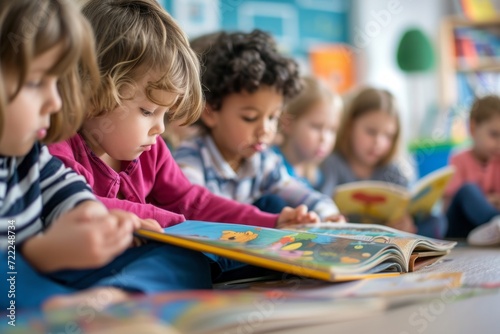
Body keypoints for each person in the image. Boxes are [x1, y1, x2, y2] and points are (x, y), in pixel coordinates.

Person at [0, 0, 208, 311]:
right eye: (34, 83)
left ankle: (117, 298)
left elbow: (72, 194)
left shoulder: (30, 156)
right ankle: (69, 308)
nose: (56, 103)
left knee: (185, 257)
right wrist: (40, 254)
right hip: (22, 284)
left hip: (59, 272)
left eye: (57, 85)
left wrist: (99, 221)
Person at [173, 30, 343, 221]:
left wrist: (328, 213)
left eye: (272, 117)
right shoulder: (190, 158)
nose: (265, 130)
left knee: (276, 203)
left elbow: (298, 191)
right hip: (197, 247)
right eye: (250, 117)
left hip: (236, 244)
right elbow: (198, 210)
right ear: (211, 112)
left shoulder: (263, 161)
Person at [320, 87, 446, 238]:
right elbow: (322, 205)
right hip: (348, 237)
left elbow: (407, 205)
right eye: (371, 132)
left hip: (388, 236)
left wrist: (406, 221)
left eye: (388, 136)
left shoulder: (393, 168)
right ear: (349, 126)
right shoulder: (332, 163)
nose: (378, 142)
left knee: (436, 221)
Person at [444, 95, 500, 245]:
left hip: (486, 230)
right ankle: (495, 222)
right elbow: (451, 203)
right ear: (473, 128)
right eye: (494, 134)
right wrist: (489, 200)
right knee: (467, 190)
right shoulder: (458, 159)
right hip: (460, 228)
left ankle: (495, 225)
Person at [273, 76, 343, 190]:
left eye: (332, 130)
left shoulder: (315, 175)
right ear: (288, 124)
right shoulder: (271, 168)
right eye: (316, 127)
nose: (324, 138)